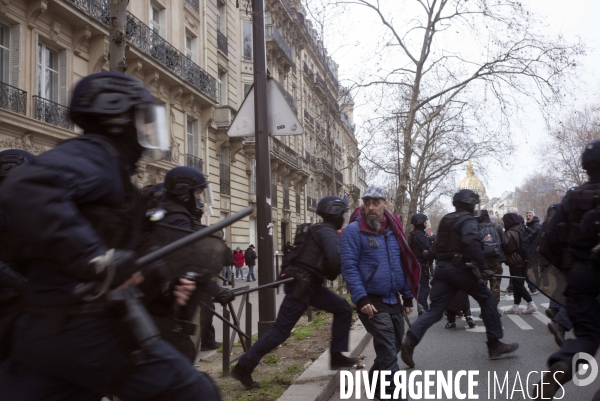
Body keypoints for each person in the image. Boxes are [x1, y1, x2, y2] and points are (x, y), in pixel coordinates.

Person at [0, 72, 221, 400]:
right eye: (142, 120)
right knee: (196, 393)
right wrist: (95, 259)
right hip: (83, 329)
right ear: (117, 117)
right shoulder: (94, 156)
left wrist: (161, 288)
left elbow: (118, 257)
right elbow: (28, 187)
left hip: (46, 329)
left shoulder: (111, 170)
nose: (147, 131)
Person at [231, 196, 357, 389]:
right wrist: (337, 272)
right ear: (336, 213)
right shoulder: (328, 232)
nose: (344, 216)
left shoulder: (315, 230)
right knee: (279, 332)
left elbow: (293, 254)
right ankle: (243, 367)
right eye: (342, 213)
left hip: (309, 285)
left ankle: (337, 355)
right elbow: (334, 260)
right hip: (303, 287)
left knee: (343, 308)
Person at [401, 189, 519, 369]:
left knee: (436, 310)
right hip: (461, 269)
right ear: (470, 204)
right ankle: (494, 344)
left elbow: (438, 246)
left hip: (442, 270)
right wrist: (484, 267)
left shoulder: (447, 219)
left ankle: (410, 339)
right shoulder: (468, 220)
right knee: (487, 298)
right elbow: (471, 241)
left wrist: (428, 255)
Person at [535, 139, 600, 399]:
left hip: (580, 273)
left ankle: (564, 362)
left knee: (587, 333)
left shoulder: (572, 197)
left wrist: (568, 271)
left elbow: (549, 241)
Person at [341, 186, 419, 399]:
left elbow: (399, 265)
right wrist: (361, 298)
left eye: (376, 202)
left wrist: (407, 295)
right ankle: (396, 394)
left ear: (386, 203)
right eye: (367, 203)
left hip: (392, 299)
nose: (371, 207)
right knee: (387, 350)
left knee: (393, 346)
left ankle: (375, 384)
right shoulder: (354, 231)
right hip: (371, 301)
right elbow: (349, 267)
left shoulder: (393, 231)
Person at [149, 165, 234, 359]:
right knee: (180, 354)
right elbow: (182, 264)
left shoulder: (166, 211)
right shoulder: (177, 217)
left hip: (161, 298)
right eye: (197, 192)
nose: (200, 198)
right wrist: (216, 290)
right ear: (182, 190)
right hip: (166, 300)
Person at [502, 212, 538, 314]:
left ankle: (531, 303)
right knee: (518, 283)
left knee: (517, 284)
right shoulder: (522, 229)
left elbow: (508, 248)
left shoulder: (510, 233)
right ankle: (516, 305)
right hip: (525, 259)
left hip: (515, 261)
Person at [477, 209, 508, 311]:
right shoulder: (497, 227)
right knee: (495, 286)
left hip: (482, 262)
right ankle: (494, 308)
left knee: (482, 286)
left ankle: (484, 309)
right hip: (496, 260)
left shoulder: (477, 227)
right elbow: (505, 242)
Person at [408, 213, 432, 316]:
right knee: (424, 287)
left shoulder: (414, 234)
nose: (426, 223)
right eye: (425, 221)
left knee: (422, 286)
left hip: (417, 264)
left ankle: (422, 307)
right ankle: (422, 308)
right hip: (421, 264)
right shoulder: (419, 235)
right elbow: (428, 249)